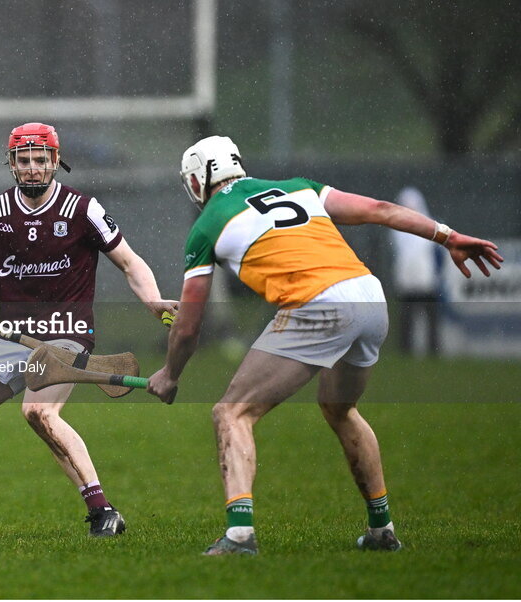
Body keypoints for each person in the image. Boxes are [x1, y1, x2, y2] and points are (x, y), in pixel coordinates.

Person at [147, 136, 503, 555]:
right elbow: (380, 210)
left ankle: (240, 535)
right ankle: (381, 530)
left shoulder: (206, 224)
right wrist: (448, 236)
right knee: (340, 408)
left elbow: (188, 327)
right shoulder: (300, 186)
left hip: (318, 304)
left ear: (195, 180)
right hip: (369, 296)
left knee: (232, 412)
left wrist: (170, 375)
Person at [0, 123, 179, 538]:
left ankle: (103, 512)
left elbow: (131, 263)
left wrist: (153, 303)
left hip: (65, 332)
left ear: (56, 162)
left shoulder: (82, 209)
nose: (33, 169)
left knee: (39, 411)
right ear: (12, 164)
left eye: (41, 160)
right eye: (23, 161)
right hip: (11, 337)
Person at [390, 187, 442, 356]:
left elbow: (438, 256)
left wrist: (437, 275)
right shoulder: (396, 230)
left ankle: (433, 351)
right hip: (407, 282)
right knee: (407, 320)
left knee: (430, 320)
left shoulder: (433, 226)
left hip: (427, 281)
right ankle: (406, 351)